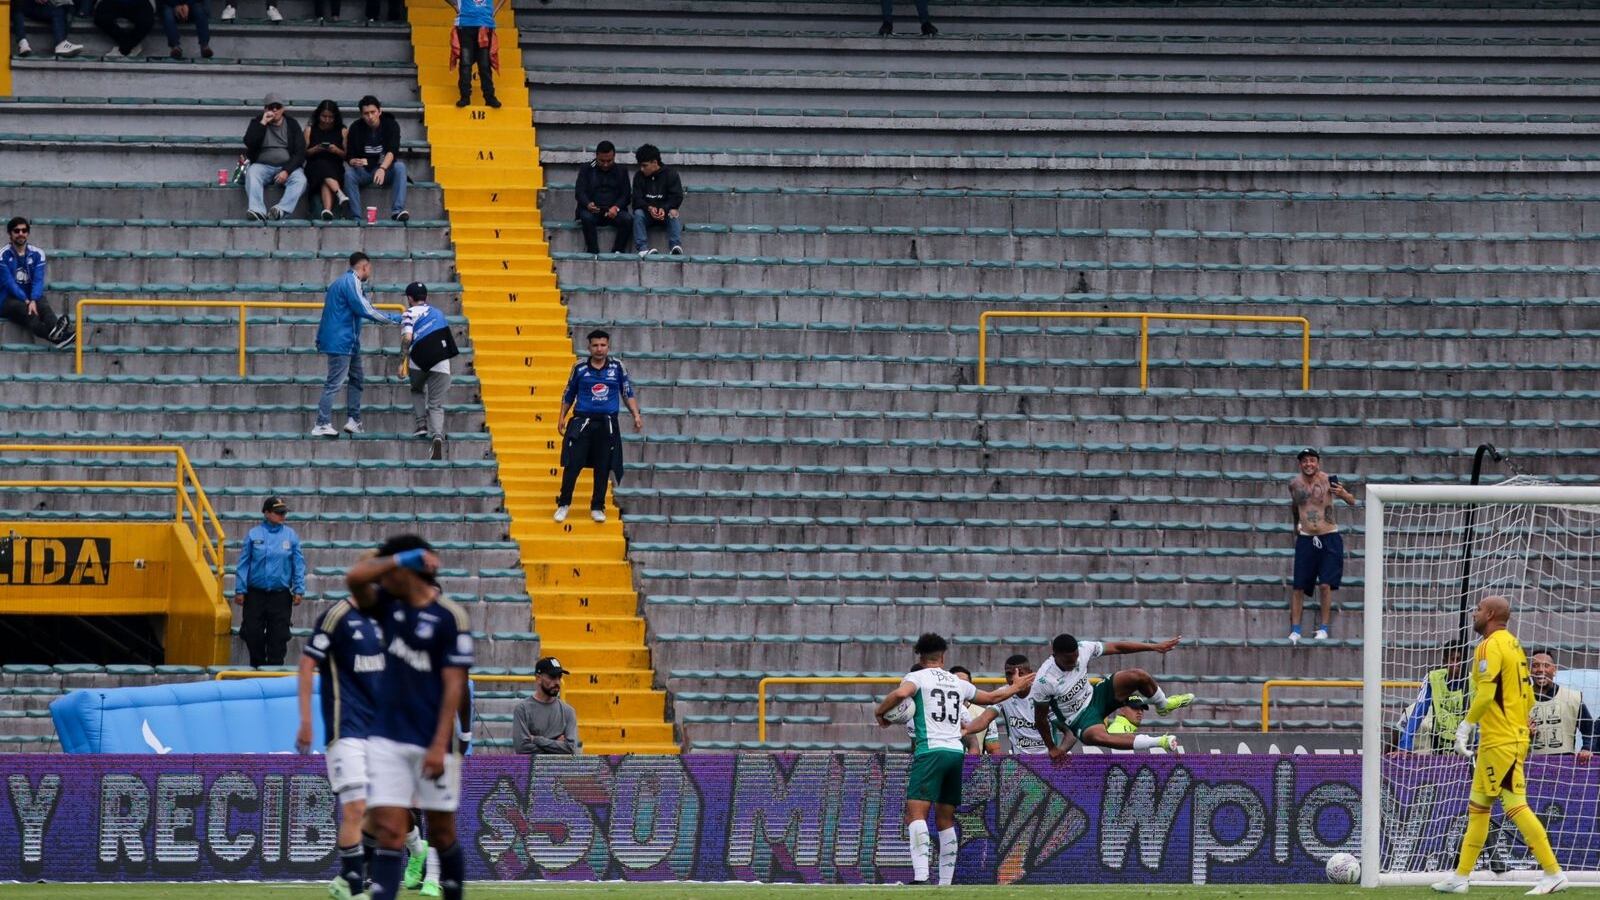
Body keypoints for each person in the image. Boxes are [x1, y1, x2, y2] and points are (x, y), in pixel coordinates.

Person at [351, 534, 472, 900]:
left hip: (432, 737)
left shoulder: (450, 617)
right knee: (389, 827)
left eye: (393, 569)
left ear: (411, 574)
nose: (384, 578)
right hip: (387, 735)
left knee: (442, 831)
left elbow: (455, 684)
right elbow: (357, 576)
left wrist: (442, 743)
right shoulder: (387, 604)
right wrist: (398, 557)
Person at [1430, 596, 1567, 895]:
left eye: (1478, 609)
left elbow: (1486, 694)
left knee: (1515, 805)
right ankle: (1460, 876)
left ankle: (1553, 871)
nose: (1474, 614)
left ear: (1490, 614)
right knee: (1478, 809)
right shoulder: (1514, 645)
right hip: (1503, 738)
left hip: (1501, 742)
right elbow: (1528, 694)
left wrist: (1464, 727)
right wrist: (1522, 719)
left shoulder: (1488, 646)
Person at [874, 633, 1034, 886]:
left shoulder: (916, 677)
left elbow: (901, 693)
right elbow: (991, 698)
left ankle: (921, 877)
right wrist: (1015, 687)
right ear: (943, 656)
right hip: (954, 753)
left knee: (915, 813)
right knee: (945, 818)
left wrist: (880, 712)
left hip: (930, 751)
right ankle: (946, 883)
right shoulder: (955, 681)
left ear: (920, 655)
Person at [295, 579, 387, 900]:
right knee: (355, 808)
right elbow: (307, 665)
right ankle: (356, 889)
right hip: (345, 728)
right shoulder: (336, 616)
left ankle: (349, 876)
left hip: (380, 732)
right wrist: (306, 720)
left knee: (385, 812)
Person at [1032, 633, 1191, 756]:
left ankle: (1163, 705)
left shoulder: (1083, 648)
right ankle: (1159, 742)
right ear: (1055, 655)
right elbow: (1040, 719)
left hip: (1096, 695)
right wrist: (1051, 748)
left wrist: (1154, 647)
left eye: (1076, 658)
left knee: (1137, 675)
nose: (1074, 663)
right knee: (1098, 737)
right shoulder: (1044, 680)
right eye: (1069, 661)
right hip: (1079, 717)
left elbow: (1117, 647)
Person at [554, 329, 642, 523]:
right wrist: (562, 416)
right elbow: (569, 393)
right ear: (589, 347)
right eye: (595, 345)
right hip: (582, 421)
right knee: (572, 464)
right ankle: (564, 503)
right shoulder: (579, 368)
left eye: (603, 345)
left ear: (608, 346)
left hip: (607, 423)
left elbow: (627, 392)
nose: (599, 349)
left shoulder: (618, 367)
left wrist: (636, 415)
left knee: (603, 466)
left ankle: (597, 506)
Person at [313, 251, 402, 437]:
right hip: (341, 342)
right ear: (364, 267)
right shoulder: (351, 282)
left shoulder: (339, 283)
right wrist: (397, 319)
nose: (370, 271)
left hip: (348, 342)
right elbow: (365, 309)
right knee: (334, 383)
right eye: (370, 268)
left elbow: (328, 313)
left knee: (357, 379)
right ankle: (322, 423)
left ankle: (354, 420)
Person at [1287, 447, 1357, 642]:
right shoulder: (1294, 484)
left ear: (1317, 462)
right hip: (1306, 537)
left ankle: (1324, 628)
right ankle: (1296, 629)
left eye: (1312, 460)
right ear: (1300, 464)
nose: (1308, 464)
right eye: (1305, 461)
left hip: (1328, 536)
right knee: (1298, 586)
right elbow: (1295, 507)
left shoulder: (1328, 480)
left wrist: (1342, 493)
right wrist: (1295, 526)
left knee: (1325, 585)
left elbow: (1352, 501)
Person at [232, 496, 306, 667]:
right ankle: (257, 668)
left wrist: (299, 589)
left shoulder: (291, 536)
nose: (282, 516)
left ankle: (275, 671)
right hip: (255, 594)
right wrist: (240, 590)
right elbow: (244, 564)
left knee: (279, 636)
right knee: (252, 632)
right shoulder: (253, 535)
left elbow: (298, 564)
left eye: (284, 513)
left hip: (280, 596)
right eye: (278, 513)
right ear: (266, 513)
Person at [401, 281, 458, 461]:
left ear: (409, 298)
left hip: (420, 360)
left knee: (417, 389)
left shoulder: (408, 313)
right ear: (426, 297)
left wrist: (403, 358)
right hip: (442, 362)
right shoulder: (439, 313)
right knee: (435, 404)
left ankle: (421, 425)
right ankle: (437, 436)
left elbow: (408, 337)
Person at [1, 217, 75, 349]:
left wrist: (33, 299)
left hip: (30, 297)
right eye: (16, 231)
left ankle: (55, 329)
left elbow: (38, 280)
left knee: (42, 303)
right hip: (7, 299)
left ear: (28, 233)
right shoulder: (3, 255)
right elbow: (9, 283)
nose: (21, 234)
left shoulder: (38, 254)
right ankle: (59, 338)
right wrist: (27, 300)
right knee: (29, 313)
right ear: (10, 234)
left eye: (24, 230)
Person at [344, 95, 410, 223]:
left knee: (400, 167)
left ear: (380, 111)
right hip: (365, 170)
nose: (370, 117)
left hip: (385, 168)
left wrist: (382, 168)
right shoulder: (356, 127)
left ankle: (397, 211)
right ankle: (355, 217)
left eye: (373, 112)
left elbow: (392, 150)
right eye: (366, 113)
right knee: (349, 175)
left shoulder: (391, 125)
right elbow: (350, 154)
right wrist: (352, 161)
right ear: (361, 114)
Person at [242, 93, 307, 222]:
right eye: (271, 107)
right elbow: (249, 142)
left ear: (283, 109)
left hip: (286, 167)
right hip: (263, 165)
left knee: (301, 180)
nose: (275, 110)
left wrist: (287, 170)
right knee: (252, 173)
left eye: (278, 107)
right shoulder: (257, 122)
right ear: (265, 109)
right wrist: (263, 123)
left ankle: (281, 210)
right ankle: (257, 210)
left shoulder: (292, 124)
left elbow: (300, 152)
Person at [1399, 644, 1473, 755]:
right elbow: (1419, 710)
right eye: (1454, 660)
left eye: (1461, 660)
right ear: (1444, 662)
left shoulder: (1474, 681)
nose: (1458, 664)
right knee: (1408, 715)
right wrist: (1405, 746)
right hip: (1438, 745)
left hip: (1465, 746)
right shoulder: (1432, 678)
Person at [1529, 649, 1596, 763]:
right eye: (1535, 666)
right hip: (1531, 767)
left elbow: (1590, 729)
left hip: (1564, 769)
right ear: (1529, 670)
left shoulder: (1572, 698)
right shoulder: (1519, 700)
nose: (1541, 669)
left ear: (1554, 670)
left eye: (1546, 665)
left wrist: (1586, 748)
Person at [512, 656, 582, 755]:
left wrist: (536, 739)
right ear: (538, 678)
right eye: (552, 677)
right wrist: (557, 745)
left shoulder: (568, 711)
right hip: (532, 769)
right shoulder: (522, 709)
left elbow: (570, 749)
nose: (557, 682)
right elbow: (522, 749)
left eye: (559, 677)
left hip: (559, 770)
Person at [575, 140, 631, 254]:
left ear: (614, 157)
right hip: (592, 211)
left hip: (613, 211)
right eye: (602, 161)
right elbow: (579, 192)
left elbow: (626, 195)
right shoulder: (586, 169)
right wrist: (587, 204)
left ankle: (618, 251)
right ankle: (593, 251)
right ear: (596, 156)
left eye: (609, 161)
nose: (605, 164)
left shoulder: (621, 170)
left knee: (628, 220)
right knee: (586, 218)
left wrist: (616, 207)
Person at [630, 143, 684, 257]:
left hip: (665, 213)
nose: (642, 169)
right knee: (638, 213)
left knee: (673, 212)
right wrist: (649, 208)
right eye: (640, 165)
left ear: (655, 162)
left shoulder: (671, 174)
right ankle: (642, 249)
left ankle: (675, 246)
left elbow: (677, 197)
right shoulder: (639, 176)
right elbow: (636, 200)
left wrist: (664, 209)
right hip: (647, 214)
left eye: (645, 165)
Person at [304, 100, 350, 222]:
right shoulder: (310, 129)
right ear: (318, 115)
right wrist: (316, 148)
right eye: (324, 116)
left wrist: (336, 150)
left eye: (330, 117)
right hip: (314, 166)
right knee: (321, 166)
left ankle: (327, 210)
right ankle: (339, 193)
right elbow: (304, 153)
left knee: (326, 175)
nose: (327, 120)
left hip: (335, 166)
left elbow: (347, 155)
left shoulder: (342, 130)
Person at [448, 0, 499, 108]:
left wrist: (495, 10)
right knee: (465, 64)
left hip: (485, 24)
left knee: (484, 64)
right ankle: (465, 97)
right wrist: (455, 6)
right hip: (465, 24)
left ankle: (489, 97)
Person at [949, 666, 1000, 755]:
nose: (961, 688)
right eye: (957, 683)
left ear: (971, 687)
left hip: (974, 766)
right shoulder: (936, 712)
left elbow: (993, 750)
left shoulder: (984, 714)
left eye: (964, 684)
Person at [11, 0, 83, 57]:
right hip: (16, 6)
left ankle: (60, 43)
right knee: (17, 4)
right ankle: (22, 43)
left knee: (59, 10)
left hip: (36, 6)